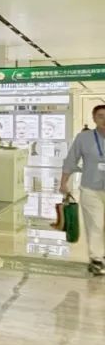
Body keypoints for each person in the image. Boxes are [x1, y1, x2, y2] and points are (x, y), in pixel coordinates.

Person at [60, 104, 105, 276]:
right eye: (100, 116)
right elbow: (71, 160)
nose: (104, 119)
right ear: (94, 118)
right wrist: (64, 182)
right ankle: (96, 259)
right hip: (90, 189)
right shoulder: (84, 138)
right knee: (95, 224)